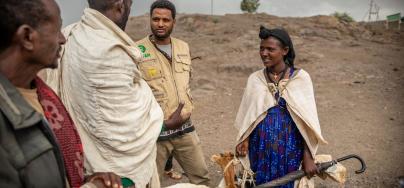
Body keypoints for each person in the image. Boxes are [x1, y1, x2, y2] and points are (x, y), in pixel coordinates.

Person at [0, 0, 124, 187]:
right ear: (27, 37)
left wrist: (87, 181)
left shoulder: (41, 94)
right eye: (57, 29)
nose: (62, 39)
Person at [42, 0, 164, 187]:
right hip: (113, 178)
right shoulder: (111, 52)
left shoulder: (71, 34)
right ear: (121, 5)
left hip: (79, 167)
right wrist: (163, 119)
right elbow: (131, 132)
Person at [234, 26, 328, 187]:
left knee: (288, 183)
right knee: (260, 182)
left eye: (270, 49)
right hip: (260, 148)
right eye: (261, 49)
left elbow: (308, 123)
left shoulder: (301, 78)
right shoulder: (255, 79)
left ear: (285, 50)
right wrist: (244, 140)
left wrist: (308, 156)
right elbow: (248, 115)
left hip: (291, 148)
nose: (264, 53)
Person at [134, 0, 210, 186]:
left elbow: (185, 83)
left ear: (173, 22)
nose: (160, 24)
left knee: (202, 179)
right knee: (151, 183)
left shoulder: (183, 47)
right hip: (156, 133)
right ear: (150, 20)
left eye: (166, 20)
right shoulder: (137, 50)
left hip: (185, 129)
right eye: (156, 19)